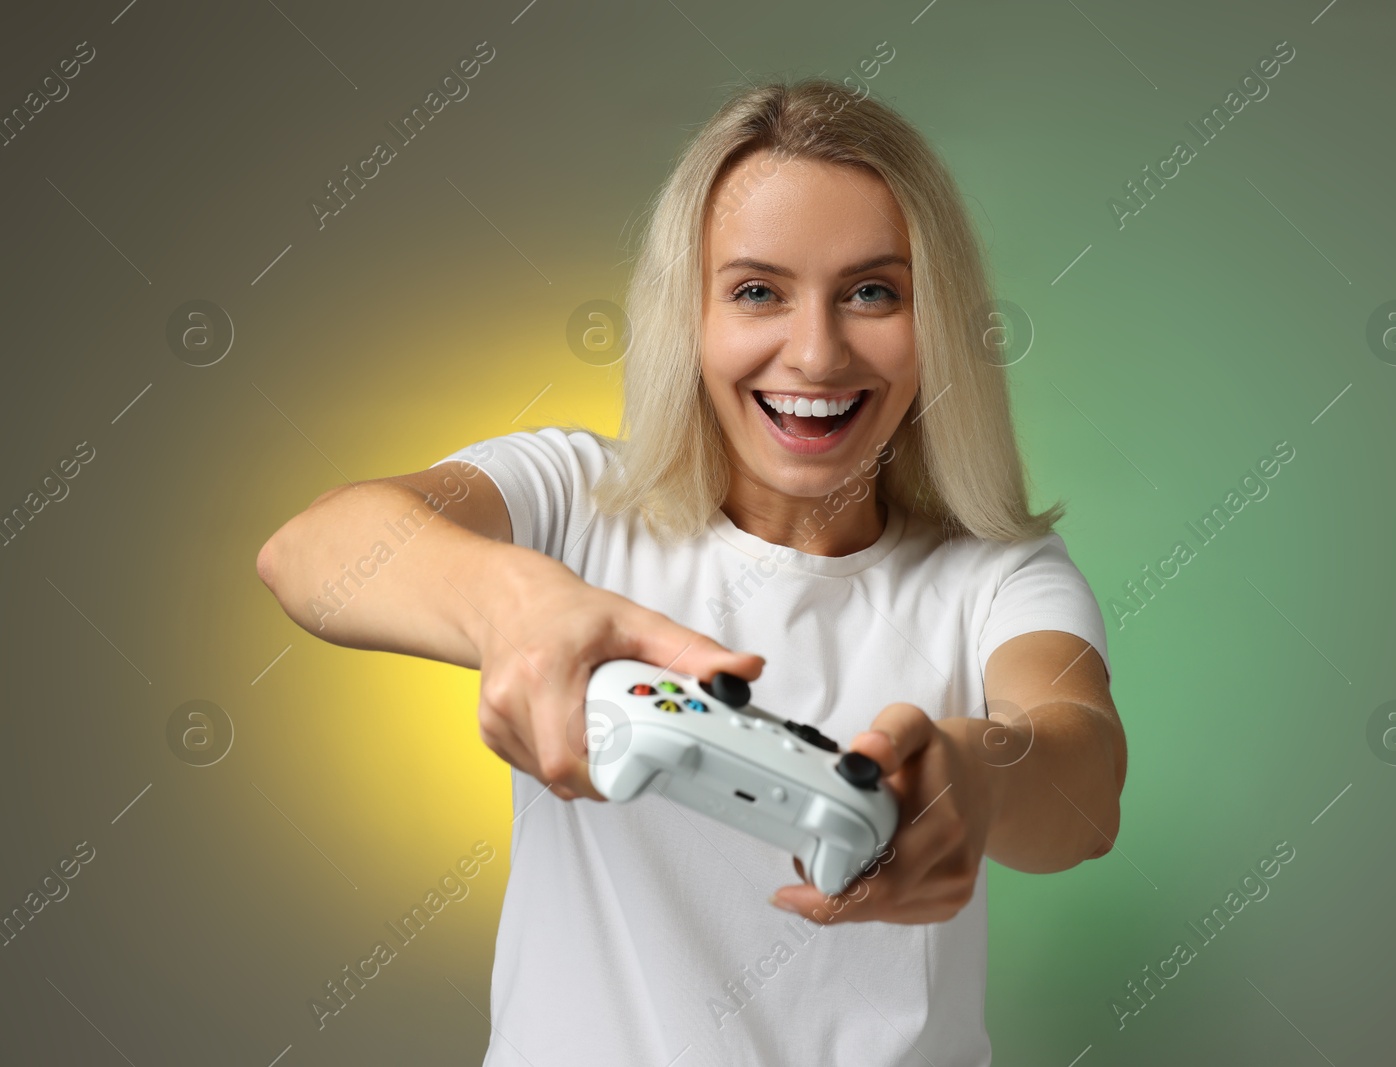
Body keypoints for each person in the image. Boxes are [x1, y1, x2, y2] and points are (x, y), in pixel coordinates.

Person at [256, 76, 1127, 1067]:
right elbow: (312, 551)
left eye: (873, 291)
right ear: (691, 314)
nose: (814, 350)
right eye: (757, 290)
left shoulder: (994, 573)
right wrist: (519, 604)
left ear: (937, 322)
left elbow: (1082, 775)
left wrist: (974, 772)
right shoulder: (573, 496)